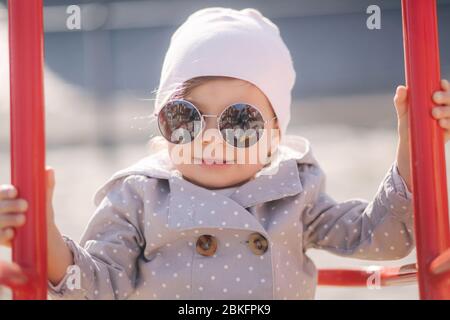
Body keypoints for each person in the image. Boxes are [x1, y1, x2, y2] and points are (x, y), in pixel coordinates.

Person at [1, 7, 450, 300]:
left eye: (240, 122)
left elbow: (383, 237)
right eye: (185, 118)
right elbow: (94, 285)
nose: (210, 139)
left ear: (276, 137)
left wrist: (414, 140)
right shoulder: (137, 197)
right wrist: (43, 235)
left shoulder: (295, 191)